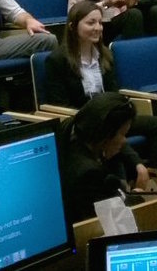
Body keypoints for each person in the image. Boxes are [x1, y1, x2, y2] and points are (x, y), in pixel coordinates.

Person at [45, 1, 157, 177]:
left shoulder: (105, 55)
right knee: (110, 133)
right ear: (73, 26)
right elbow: (60, 104)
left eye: (100, 22)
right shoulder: (57, 60)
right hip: (83, 123)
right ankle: (137, 170)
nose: (97, 28)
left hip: (110, 118)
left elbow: (113, 95)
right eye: (90, 23)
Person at [60, 92, 146, 222]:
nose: (124, 141)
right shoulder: (89, 174)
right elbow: (111, 217)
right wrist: (137, 196)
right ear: (105, 134)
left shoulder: (72, 132)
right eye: (123, 134)